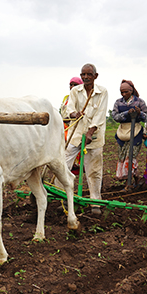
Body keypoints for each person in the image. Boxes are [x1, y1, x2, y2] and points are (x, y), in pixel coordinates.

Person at [63, 64, 109, 211]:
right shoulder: (75, 91)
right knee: (64, 165)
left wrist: (90, 132)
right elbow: (70, 108)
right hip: (75, 134)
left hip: (94, 136)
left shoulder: (102, 92)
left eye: (89, 74)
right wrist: (74, 114)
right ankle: (63, 199)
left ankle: (95, 202)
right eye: (83, 74)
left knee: (94, 170)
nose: (86, 77)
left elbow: (100, 115)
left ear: (95, 76)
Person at [111, 80, 147, 184]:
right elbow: (115, 116)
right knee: (122, 156)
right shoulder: (118, 102)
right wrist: (126, 113)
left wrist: (139, 113)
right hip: (123, 131)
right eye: (122, 92)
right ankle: (135, 177)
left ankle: (129, 181)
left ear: (131, 90)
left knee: (131, 155)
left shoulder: (139, 102)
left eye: (126, 92)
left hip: (136, 131)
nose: (124, 94)